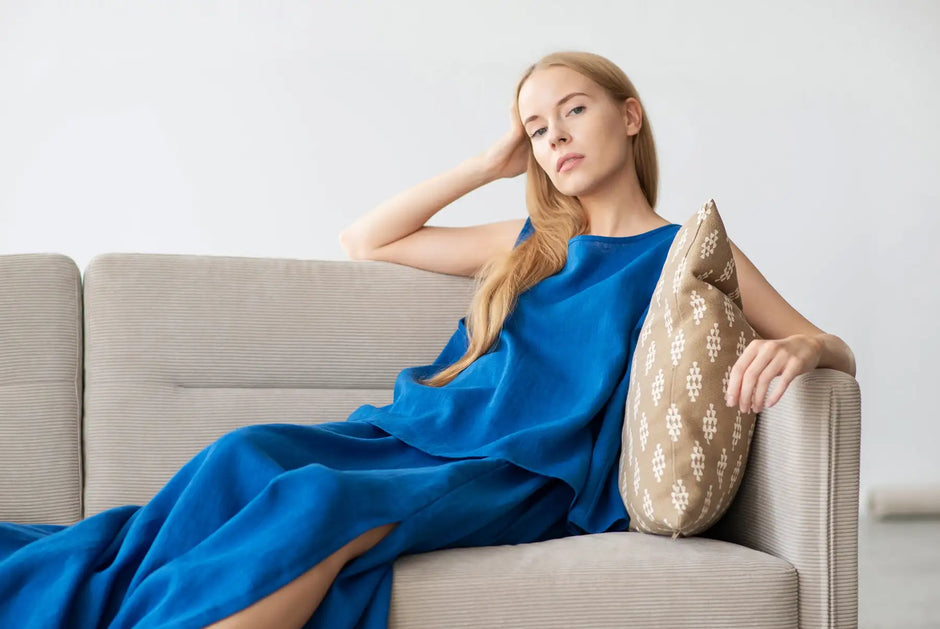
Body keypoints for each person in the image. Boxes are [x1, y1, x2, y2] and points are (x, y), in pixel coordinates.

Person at [0, 50, 853, 629]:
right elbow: (368, 239)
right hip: (409, 433)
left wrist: (804, 350)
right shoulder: (532, 240)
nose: (553, 135)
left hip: (516, 470)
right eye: (535, 127)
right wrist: (489, 165)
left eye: (573, 110)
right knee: (243, 452)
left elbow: (830, 343)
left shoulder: (683, 253)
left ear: (630, 117)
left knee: (318, 503)